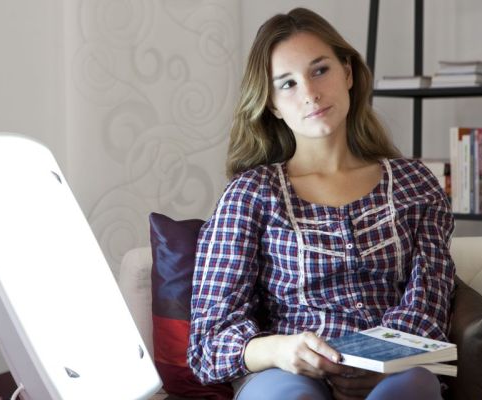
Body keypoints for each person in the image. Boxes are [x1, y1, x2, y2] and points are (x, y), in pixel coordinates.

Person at [187, 7, 454, 400]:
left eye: (319, 70)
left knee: (409, 389)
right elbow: (208, 340)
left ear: (347, 73)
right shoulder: (251, 194)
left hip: (397, 370)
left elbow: (429, 301)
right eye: (287, 83)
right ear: (272, 105)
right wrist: (279, 348)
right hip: (287, 374)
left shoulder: (415, 183)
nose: (310, 93)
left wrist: (381, 360)